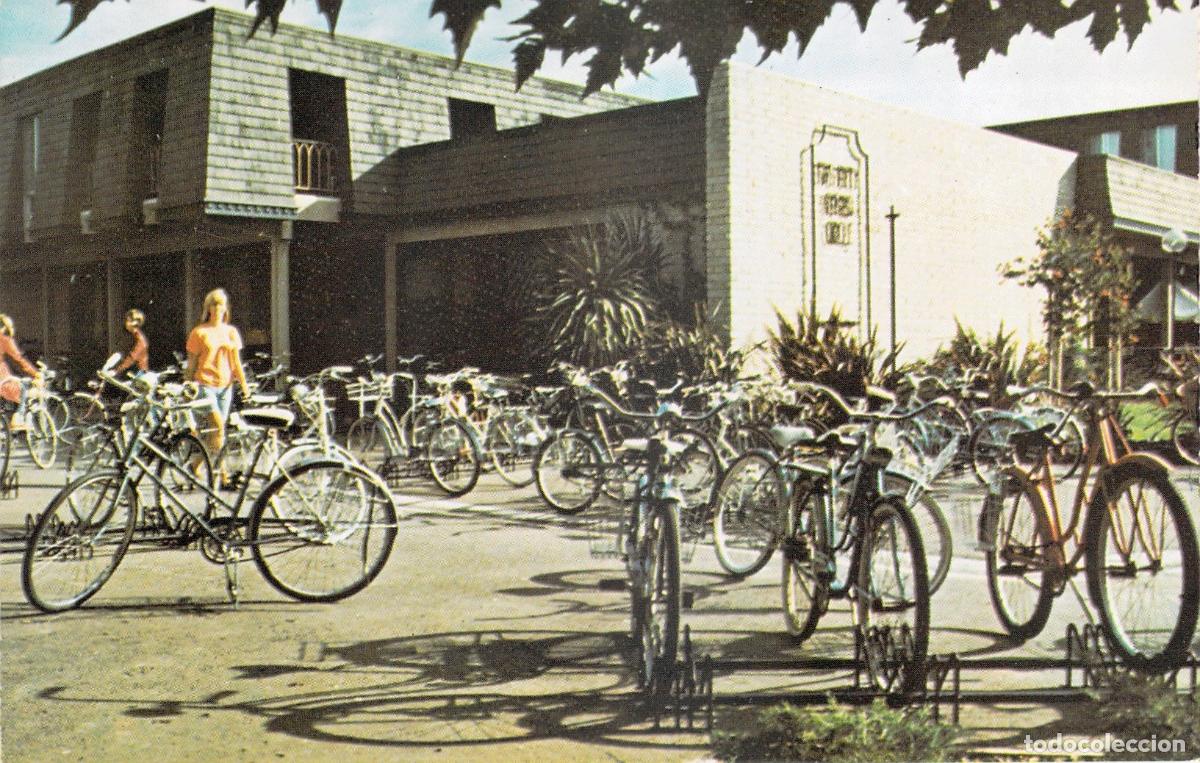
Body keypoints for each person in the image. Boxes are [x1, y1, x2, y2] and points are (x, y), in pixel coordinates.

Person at [185, 289, 250, 462]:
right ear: (208, 308)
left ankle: (199, 465)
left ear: (225, 308)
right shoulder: (199, 332)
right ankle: (219, 473)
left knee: (217, 433)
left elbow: (236, 362)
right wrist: (187, 385)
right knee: (218, 427)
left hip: (225, 387)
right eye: (214, 304)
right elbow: (191, 364)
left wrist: (244, 385)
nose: (218, 308)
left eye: (221, 304)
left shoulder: (231, 332)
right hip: (204, 385)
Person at [0, 313, 44, 430]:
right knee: (23, 388)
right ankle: (17, 418)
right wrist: (36, 373)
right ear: (4, 327)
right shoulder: (4, 339)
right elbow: (19, 359)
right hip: (1, 377)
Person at [113, 308, 150, 376]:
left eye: (129, 320)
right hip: (128, 370)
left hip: (138, 374)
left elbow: (132, 358)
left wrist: (116, 371)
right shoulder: (129, 335)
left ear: (136, 323)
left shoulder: (140, 341)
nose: (126, 322)